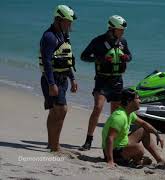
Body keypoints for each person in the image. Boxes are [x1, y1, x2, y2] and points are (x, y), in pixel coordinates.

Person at [79, 15, 132, 151]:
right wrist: (101, 59)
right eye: (120, 29)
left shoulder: (123, 42)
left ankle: (112, 143)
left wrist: (126, 57)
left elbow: (130, 56)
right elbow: (84, 56)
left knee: (115, 115)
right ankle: (88, 140)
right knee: (98, 107)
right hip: (102, 80)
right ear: (112, 29)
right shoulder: (98, 41)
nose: (123, 32)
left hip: (117, 81)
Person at [39, 5, 78, 152]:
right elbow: (47, 62)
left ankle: (51, 143)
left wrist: (72, 79)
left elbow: (66, 59)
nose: (70, 24)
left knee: (54, 112)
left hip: (62, 79)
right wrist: (51, 84)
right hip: (52, 79)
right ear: (59, 20)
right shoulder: (49, 37)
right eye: (68, 21)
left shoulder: (63, 35)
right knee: (62, 110)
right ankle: (55, 146)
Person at [102, 89, 165, 167]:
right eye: (137, 98)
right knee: (139, 148)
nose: (140, 101)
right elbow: (109, 138)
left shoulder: (129, 113)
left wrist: (157, 134)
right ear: (129, 101)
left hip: (122, 144)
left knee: (143, 130)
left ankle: (159, 160)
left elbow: (144, 123)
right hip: (112, 151)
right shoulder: (119, 116)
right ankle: (136, 160)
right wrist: (110, 160)